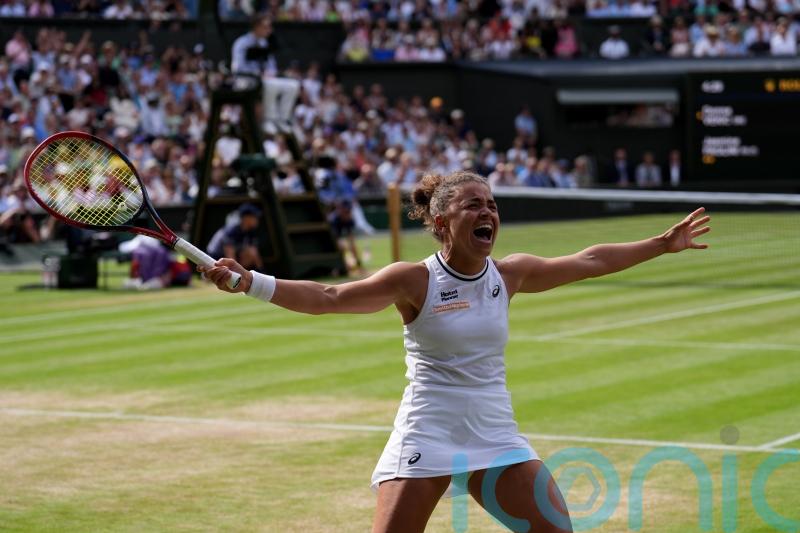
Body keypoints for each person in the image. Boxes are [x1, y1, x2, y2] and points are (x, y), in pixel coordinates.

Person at [199, 170, 712, 533]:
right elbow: (329, 297)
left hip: (494, 431)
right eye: (473, 205)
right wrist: (252, 282)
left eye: (491, 204)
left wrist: (660, 244)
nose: (487, 211)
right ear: (442, 223)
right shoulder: (414, 279)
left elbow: (590, 259)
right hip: (429, 430)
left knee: (556, 530)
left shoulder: (510, 273)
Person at [231, 14, 300, 129]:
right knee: (270, 85)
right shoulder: (241, 43)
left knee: (293, 85)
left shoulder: (264, 44)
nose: (269, 30)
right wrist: (257, 73)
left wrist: (272, 73)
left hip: (264, 79)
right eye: (266, 26)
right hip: (245, 80)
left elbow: (271, 66)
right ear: (257, 27)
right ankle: (270, 120)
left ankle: (283, 120)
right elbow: (238, 68)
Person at [207, 203, 263, 270]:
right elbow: (229, 254)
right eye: (255, 217)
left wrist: (262, 272)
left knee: (251, 252)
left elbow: (254, 253)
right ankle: (237, 276)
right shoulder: (232, 230)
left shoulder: (249, 231)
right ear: (246, 218)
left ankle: (243, 275)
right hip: (215, 259)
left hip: (231, 258)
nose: (257, 220)